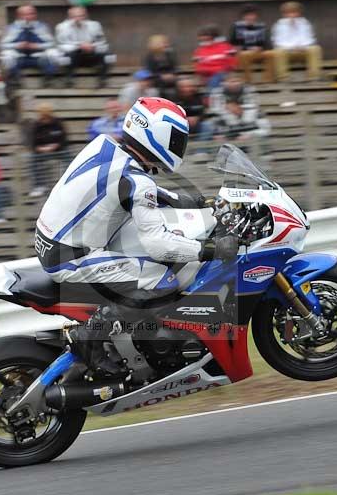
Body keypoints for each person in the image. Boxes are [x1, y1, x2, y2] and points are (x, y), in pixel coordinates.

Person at [34, 97, 239, 375]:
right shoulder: (137, 181)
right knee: (163, 279)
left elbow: (128, 189)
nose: (180, 146)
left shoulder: (106, 146)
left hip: (54, 239)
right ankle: (90, 338)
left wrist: (194, 201)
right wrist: (213, 249)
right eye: (176, 139)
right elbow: (159, 245)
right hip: (71, 256)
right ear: (157, 136)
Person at [0, 4, 57, 88]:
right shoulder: (12, 28)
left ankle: (49, 80)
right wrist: (17, 45)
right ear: (19, 16)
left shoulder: (42, 26)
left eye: (32, 13)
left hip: (38, 57)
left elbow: (53, 44)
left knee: (53, 54)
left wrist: (37, 46)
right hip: (19, 58)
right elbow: (3, 45)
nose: (29, 16)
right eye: (26, 14)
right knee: (7, 56)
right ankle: (14, 81)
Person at [55, 6, 111, 88]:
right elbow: (61, 45)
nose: (78, 19)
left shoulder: (95, 25)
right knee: (66, 56)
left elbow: (102, 42)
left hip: (91, 54)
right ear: (69, 17)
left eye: (81, 16)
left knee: (108, 54)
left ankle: (103, 79)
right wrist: (79, 46)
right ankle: (69, 79)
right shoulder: (61, 27)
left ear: (86, 15)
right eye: (75, 16)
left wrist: (92, 46)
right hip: (73, 57)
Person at [271, 1, 322, 81]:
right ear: (284, 14)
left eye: (294, 12)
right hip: (287, 53)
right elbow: (277, 42)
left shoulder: (305, 23)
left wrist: (302, 47)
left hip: (302, 51)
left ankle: (314, 76)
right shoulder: (279, 24)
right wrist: (291, 48)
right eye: (289, 13)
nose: (292, 15)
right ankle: (283, 78)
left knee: (315, 48)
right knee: (278, 51)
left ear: (299, 13)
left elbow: (310, 39)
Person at [28, 103, 68, 198]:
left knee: (69, 157)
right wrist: (41, 149)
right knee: (33, 160)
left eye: (47, 117)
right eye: (43, 117)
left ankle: (67, 183)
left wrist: (55, 146)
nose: (45, 119)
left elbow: (64, 140)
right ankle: (39, 186)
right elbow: (33, 144)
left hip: (58, 151)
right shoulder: (36, 126)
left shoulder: (58, 123)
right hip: (42, 153)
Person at [229, 3, 276, 84]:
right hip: (243, 53)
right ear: (243, 16)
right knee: (244, 54)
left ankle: (268, 81)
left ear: (256, 16)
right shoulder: (236, 26)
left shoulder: (262, 26)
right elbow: (231, 42)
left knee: (271, 53)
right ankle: (248, 81)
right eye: (248, 15)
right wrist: (240, 48)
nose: (250, 17)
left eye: (252, 15)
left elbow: (269, 44)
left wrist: (261, 48)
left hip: (259, 52)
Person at [192, 25, 237, 90]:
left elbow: (231, 63)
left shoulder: (226, 47)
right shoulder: (199, 50)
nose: (203, 40)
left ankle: (212, 96)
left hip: (222, 74)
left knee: (215, 81)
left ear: (213, 37)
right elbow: (198, 66)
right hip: (206, 75)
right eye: (201, 38)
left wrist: (226, 72)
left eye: (206, 37)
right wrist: (203, 74)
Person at [174, 76, 213, 141]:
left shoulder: (200, 97)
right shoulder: (174, 98)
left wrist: (198, 118)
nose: (187, 89)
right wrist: (185, 120)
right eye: (184, 87)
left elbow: (204, 112)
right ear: (179, 88)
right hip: (180, 125)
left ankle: (200, 149)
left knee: (207, 125)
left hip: (197, 125)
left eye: (190, 86)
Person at [144, 34, 178, 99]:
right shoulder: (150, 57)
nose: (167, 45)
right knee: (158, 92)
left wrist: (171, 75)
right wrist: (161, 76)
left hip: (171, 82)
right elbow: (149, 72)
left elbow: (174, 68)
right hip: (156, 82)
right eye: (164, 43)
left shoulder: (169, 55)